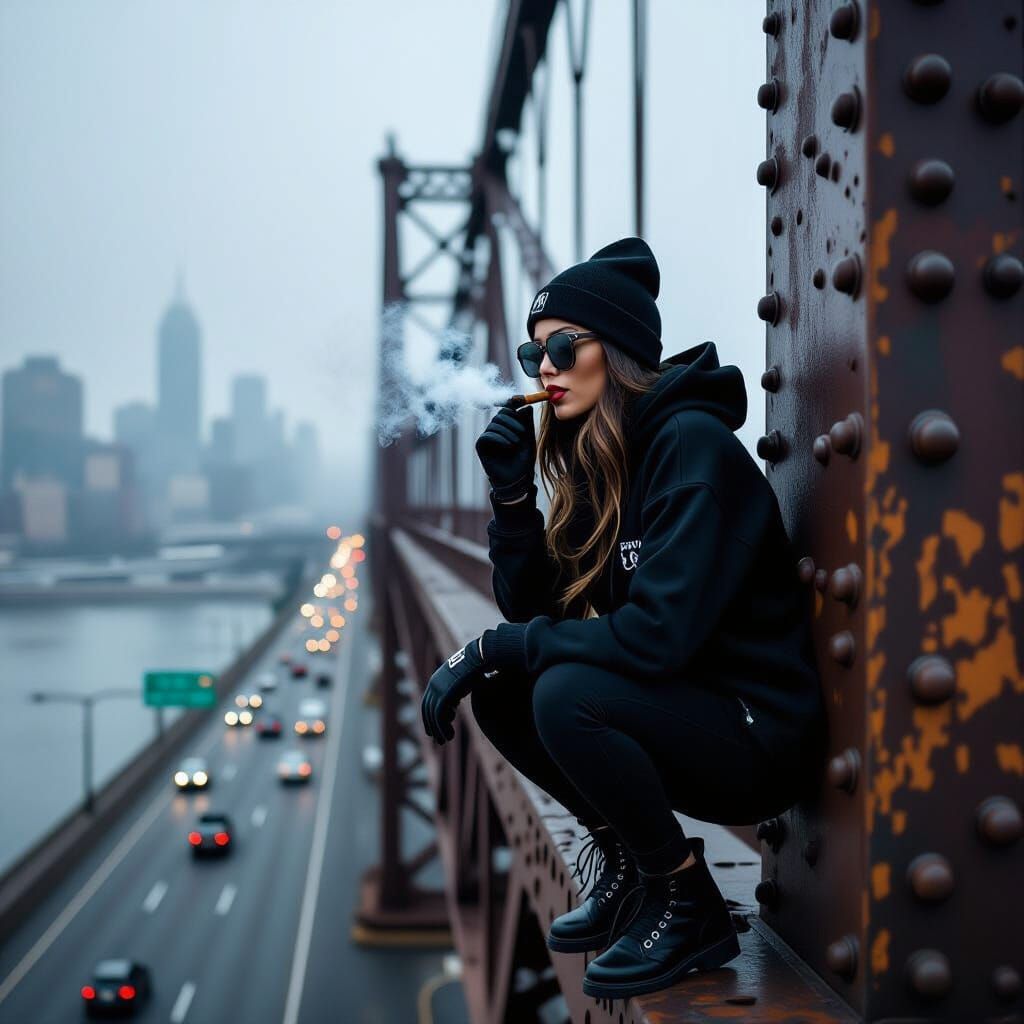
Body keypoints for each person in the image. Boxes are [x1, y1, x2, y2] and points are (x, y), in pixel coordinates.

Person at [419, 236, 827, 1002]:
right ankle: (634, 872)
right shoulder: (606, 462)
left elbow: (654, 636)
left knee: (564, 692)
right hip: (685, 709)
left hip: (758, 735)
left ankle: (685, 901)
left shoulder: (690, 450)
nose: (545, 367)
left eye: (564, 346)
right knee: (507, 688)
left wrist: (497, 644)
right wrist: (513, 501)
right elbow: (538, 617)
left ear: (619, 352)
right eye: (533, 352)